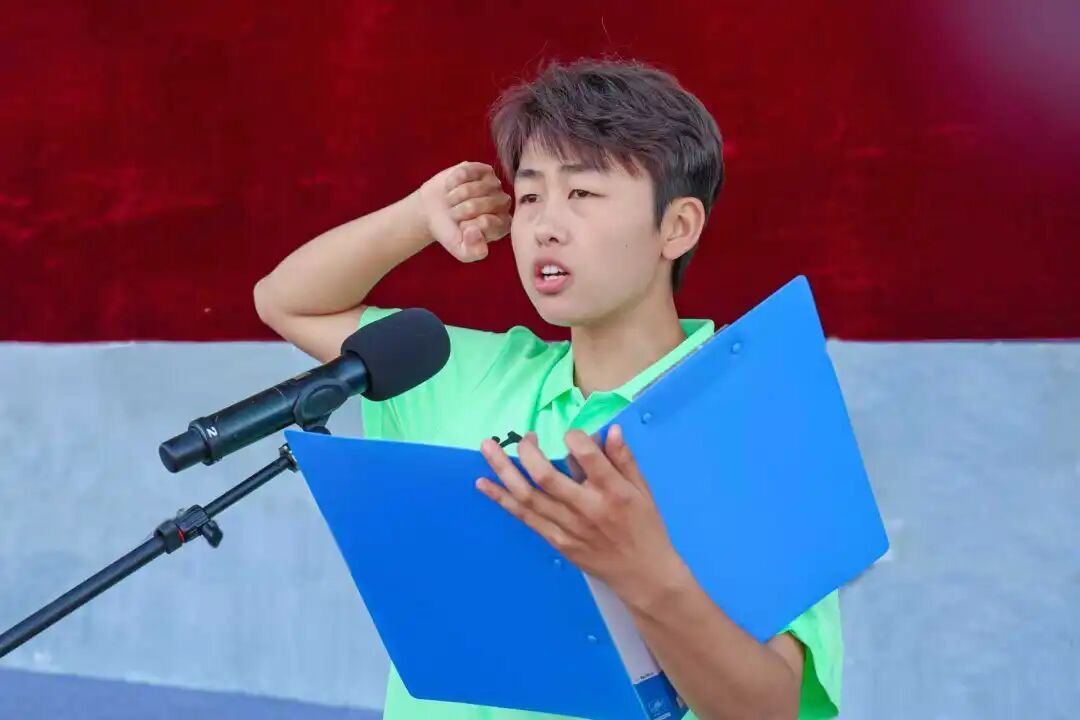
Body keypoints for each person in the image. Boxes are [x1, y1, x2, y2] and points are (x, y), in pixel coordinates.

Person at [254, 56, 842, 720]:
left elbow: (770, 710)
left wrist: (643, 572)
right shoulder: (466, 371)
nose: (544, 225)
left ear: (677, 227)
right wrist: (419, 215)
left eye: (582, 193)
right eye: (530, 196)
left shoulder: (758, 422)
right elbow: (286, 302)